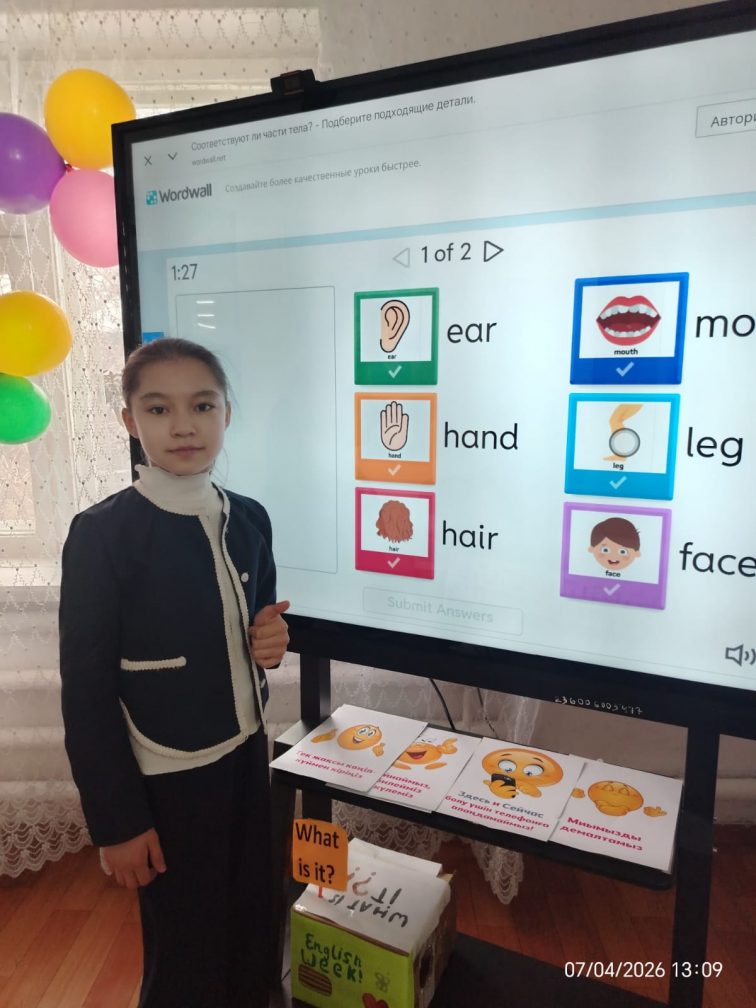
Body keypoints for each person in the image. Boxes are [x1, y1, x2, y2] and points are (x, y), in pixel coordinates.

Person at [58, 337, 290, 1008]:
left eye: (202, 406)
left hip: (246, 755)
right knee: (186, 945)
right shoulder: (101, 535)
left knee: (255, 923)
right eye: (159, 409)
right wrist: (117, 823)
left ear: (226, 414)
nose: (184, 426)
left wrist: (272, 641)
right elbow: (86, 693)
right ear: (129, 421)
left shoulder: (249, 517)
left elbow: (260, 629)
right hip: (166, 774)